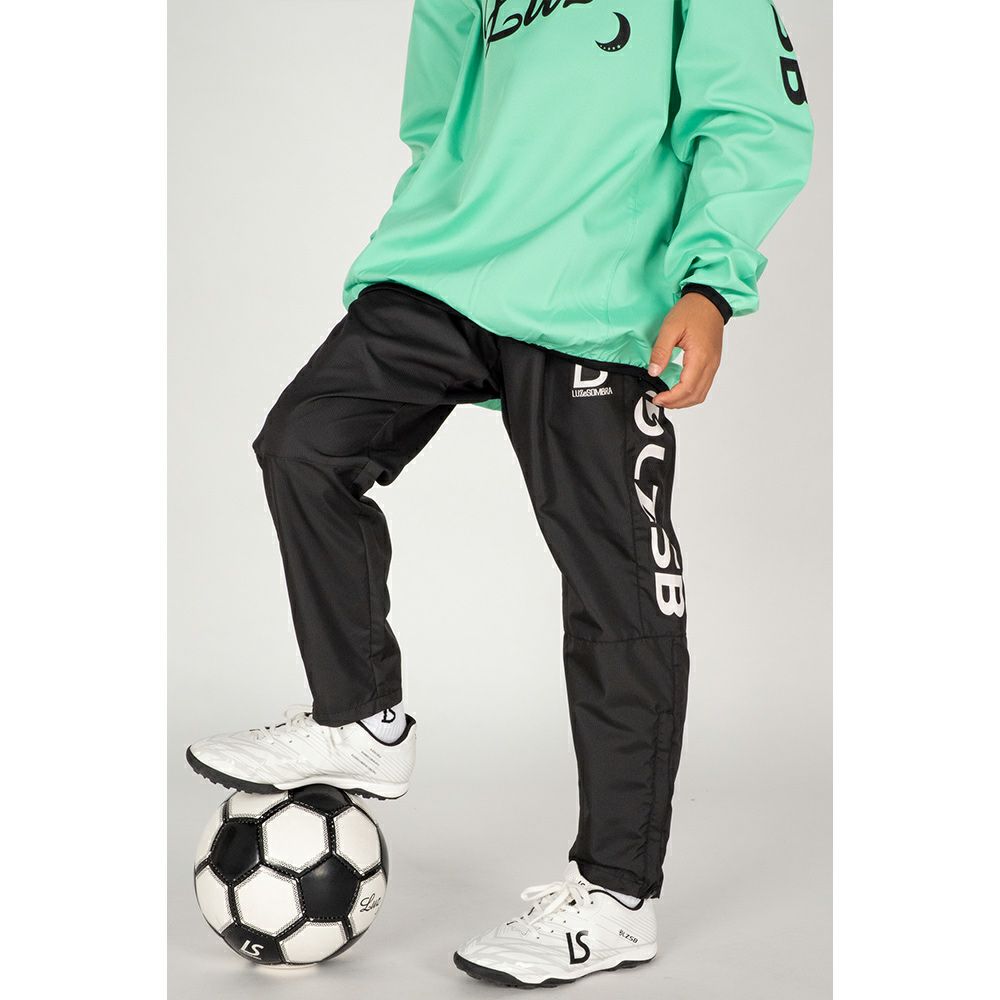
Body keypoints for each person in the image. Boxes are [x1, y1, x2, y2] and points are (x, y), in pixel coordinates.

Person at [187, 0, 813, 986]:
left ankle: (615, 898)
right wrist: (435, 221)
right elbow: (438, 119)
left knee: (616, 588)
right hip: (447, 270)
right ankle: (359, 720)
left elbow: (753, 116)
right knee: (304, 445)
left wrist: (710, 282)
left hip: (598, 288)